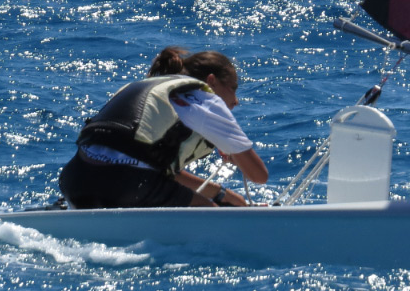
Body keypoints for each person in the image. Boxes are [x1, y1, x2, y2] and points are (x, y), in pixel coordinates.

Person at [58, 47, 268, 209]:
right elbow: (259, 176)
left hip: (75, 179)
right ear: (211, 81)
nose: (236, 100)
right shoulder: (205, 100)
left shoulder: (152, 88)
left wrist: (223, 194)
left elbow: (148, 168)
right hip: (128, 183)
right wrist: (235, 153)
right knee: (209, 213)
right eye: (233, 88)